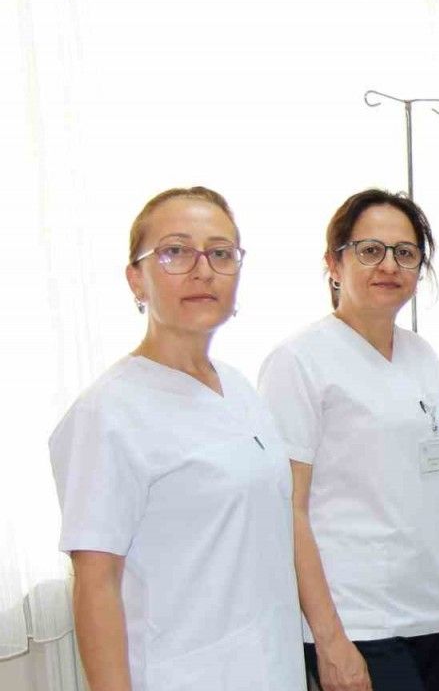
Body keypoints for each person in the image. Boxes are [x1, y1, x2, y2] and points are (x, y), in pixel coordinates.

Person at [49, 187, 304, 690]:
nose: (202, 270)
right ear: (135, 279)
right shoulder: (109, 412)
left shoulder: (239, 388)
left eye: (221, 253)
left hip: (270, 666)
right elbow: (97, 583)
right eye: (175, 251)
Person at [257, 189, 439, 691]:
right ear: (334, 263)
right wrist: (328, 639)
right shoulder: (299, 362)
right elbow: (288, 509)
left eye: (406, 253)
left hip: (436, 612)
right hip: (358, 621)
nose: (389, 265)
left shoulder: (423, 356)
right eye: (370, 250)